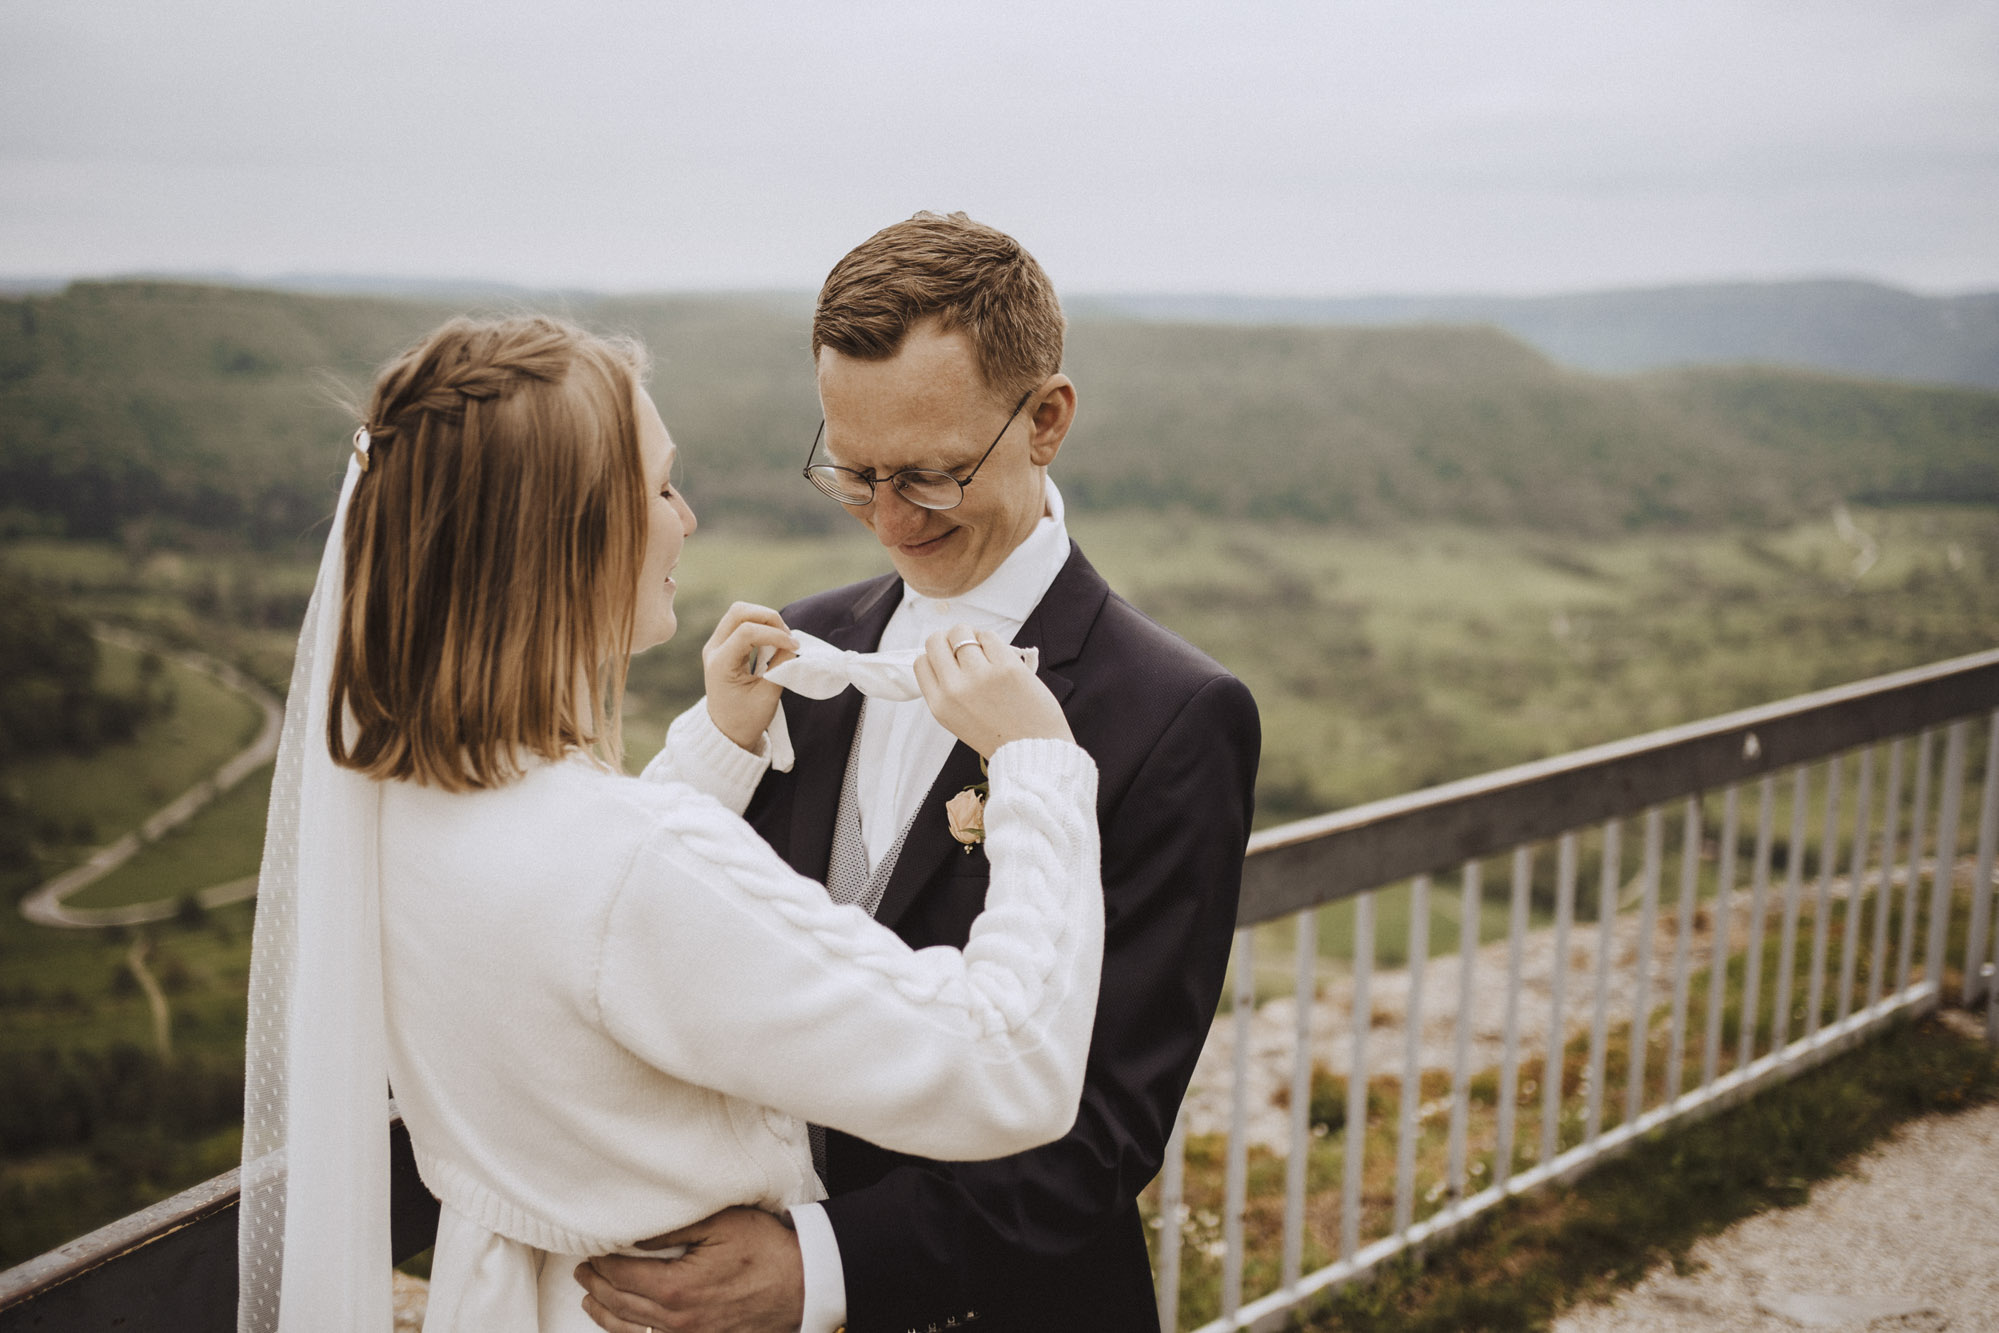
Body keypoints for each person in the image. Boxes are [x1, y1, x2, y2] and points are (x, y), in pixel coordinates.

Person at [236, 314, 1110, 1333]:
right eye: (658, 488)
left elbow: (586, 938)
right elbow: (1008, 1065)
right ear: (569, 533)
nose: (685, 518)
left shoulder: (399, 804)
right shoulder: (633, 862)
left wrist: (717, 750)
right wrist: (1036, 765)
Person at [576, 214, 1261, 1331]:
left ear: (1045, 421)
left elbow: (1103, 1130)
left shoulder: (1174, 713)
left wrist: (818, 1267)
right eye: (854, 472)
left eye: (932, 476)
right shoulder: (801, 648)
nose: (890, 519)